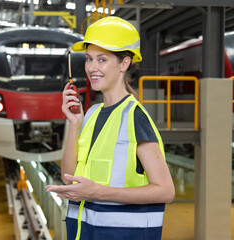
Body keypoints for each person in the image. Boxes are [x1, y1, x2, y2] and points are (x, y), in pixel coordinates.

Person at [45, 17, 175, 240]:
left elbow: (166, 191)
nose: (92, 68)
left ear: (124, 64)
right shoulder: (92, 114)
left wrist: (98, 192)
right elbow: (69, 178)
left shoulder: (135, 117)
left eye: (102, 60)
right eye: (89, 59)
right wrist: (74, 123)